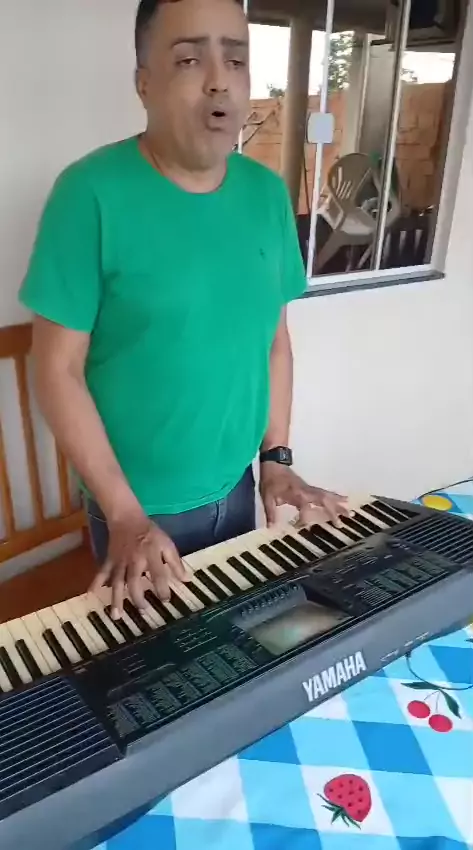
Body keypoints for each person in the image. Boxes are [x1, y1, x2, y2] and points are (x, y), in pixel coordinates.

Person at [19, 0, 348, 620]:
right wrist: (124, 513)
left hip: (239, 487)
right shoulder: (88, 194)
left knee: (237, 640)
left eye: (237, 59)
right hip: (137, 514)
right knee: (157, 662)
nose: (220, 80)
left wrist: (276, 460)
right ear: (144, 83)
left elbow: (273, 341)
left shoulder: (266, 195)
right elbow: (56, 368)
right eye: (190, 59)